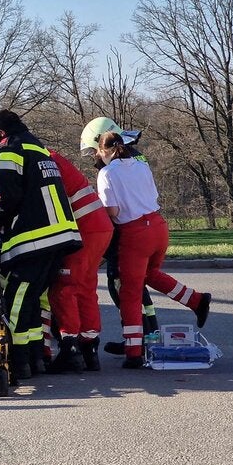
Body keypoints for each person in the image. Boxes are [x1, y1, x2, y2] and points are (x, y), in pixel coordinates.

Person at [95, 131, 211, 368]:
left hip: (135, 233)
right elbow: (152, 195)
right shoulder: (140, 165)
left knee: (130, 292)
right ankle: (196, 300)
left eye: (97, 151)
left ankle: (134, 351)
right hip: (158, 226)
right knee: (151, 275)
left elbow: (113, 212)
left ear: (104, 151)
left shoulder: (106, 173)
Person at [0, 110, 82, 382]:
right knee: (30, 301)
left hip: (35, 238)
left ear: (0, 134)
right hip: (59, 236)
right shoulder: (38, 147)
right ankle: (34, 359)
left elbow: (9, 195)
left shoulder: (11, 149)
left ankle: (16, 360)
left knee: (15, 298)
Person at [80, 116, 160, 354]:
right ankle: (148, 334)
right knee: (136, 285)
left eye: (95, 150)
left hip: (126, 232)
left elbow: (112, 210)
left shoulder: (112, 168)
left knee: (121, 285)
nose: (95, 156)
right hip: (147, 225)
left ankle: (137, 340)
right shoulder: (134, 157)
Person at [44, 149, 114, 372]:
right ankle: (89, 348)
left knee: (63, 288)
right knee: (85, 287)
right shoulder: (52, 158)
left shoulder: (42, 162)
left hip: (83, 231)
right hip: (99, 228)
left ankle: (70, 349)